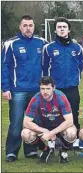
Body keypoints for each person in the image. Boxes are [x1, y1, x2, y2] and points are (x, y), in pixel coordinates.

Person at [2, 15, 48, 162]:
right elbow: (4, 67)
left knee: (34, 121)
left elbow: (47, 65)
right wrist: (5, 88)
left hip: (37, 90)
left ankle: (31, 149)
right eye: (25, 25)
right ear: (20, 27)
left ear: (34, 26)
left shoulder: (42, 43)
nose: (28, 28)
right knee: (16, 121)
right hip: (17, 90)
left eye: (30, 25)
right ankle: (12, 151)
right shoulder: (10, 44)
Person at [42, 17, 83, 147]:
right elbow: (44, 67)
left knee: (73, 112)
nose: (62, 29)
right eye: (59, 27)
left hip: (72, 87)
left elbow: (80, 66)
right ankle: (53, 140)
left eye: (64, 27)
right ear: (55, 30)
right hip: (55, 89)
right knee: (53, 114)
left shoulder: (77, 48)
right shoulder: (48, 48)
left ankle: (74, 140)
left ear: (68, 29)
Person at [21, 76, 77, 163]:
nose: (45, 92)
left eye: (48, 88)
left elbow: (70, 121)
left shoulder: (61, 97)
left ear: (53, 88)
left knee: (71, 133)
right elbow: (26, 122)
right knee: (25, 134)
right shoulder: (36, 99)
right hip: (44, 127)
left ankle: (63, 150)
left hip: (60, 127)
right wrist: (44, 131)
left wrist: (52, 133)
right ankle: (45, 148)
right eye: (42, 89)